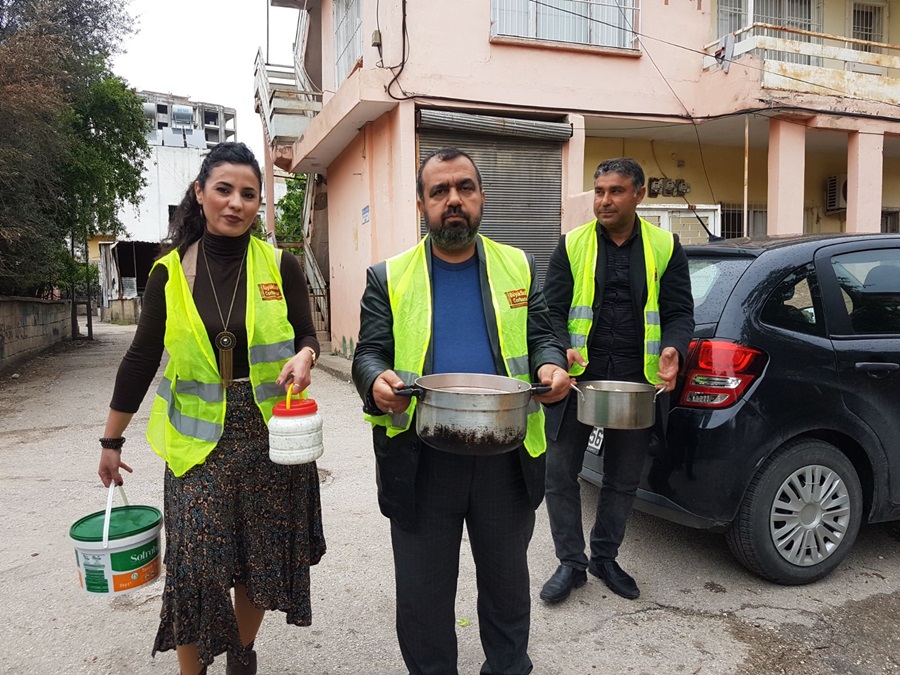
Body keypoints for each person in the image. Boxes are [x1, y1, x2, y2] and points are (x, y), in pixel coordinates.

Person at [97, 142, 326, 675]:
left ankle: (242, 656)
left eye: (249, 194)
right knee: (195, 569)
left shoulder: (280, 264)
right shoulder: (169, 273)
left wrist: (307, 355)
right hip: (199, 447)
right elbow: (140, 358)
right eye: (223, 189)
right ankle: (192, 669)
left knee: (257, 562)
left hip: (270, 436)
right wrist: (111, 441)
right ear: (199, 194)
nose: (235, 203)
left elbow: (307, 333)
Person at [351, 147, 570, 675]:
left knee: (507, 588)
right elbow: (369, 352)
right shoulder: (389, 275)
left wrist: (551, 365)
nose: (454, 200)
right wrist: (374, 381)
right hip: (421, 457)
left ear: (481, 197)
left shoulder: (518, 264)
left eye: (465, 188)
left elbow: (542, 333)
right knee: (424, 601)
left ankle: (508, 668)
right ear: (422, 204)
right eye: (440, 191)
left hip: (506, 453)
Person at [540, 157, 694, 603]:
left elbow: (679, 313)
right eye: (599, 191)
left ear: (639, 194)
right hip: (578, 377)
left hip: (636, 380)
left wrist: (674, 349)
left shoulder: (666, 246)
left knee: (623, 477)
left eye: (616, 191)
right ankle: (571, 563)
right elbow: (549, 311)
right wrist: (556, 350)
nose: (604, 200)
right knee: (559, 473)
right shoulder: (571, 245)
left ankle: (605, 558)